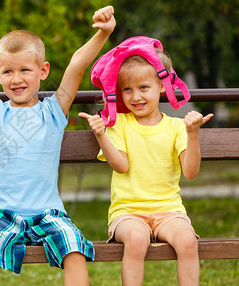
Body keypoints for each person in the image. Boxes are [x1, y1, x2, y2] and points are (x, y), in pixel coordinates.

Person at [0, 6, 116, 286]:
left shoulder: (54, 111)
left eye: (25, 70)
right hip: (1, 213)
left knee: (74, 248)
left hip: (49, 213)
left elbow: (77, 65)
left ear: (43, 71)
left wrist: (104, 33)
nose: (16, 79)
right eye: (8, 71)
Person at [79, 38, 213, 286]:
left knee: (187, 240)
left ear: (162, 86)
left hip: (169, 211)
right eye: (127, 90)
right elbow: (122, 166)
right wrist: (100, 135)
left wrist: (192, 134)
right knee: (137, 239)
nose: (135, 96)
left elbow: (191, 172)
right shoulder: (118, 123)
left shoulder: (176, 127)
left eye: (143, 87)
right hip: (128, 214)